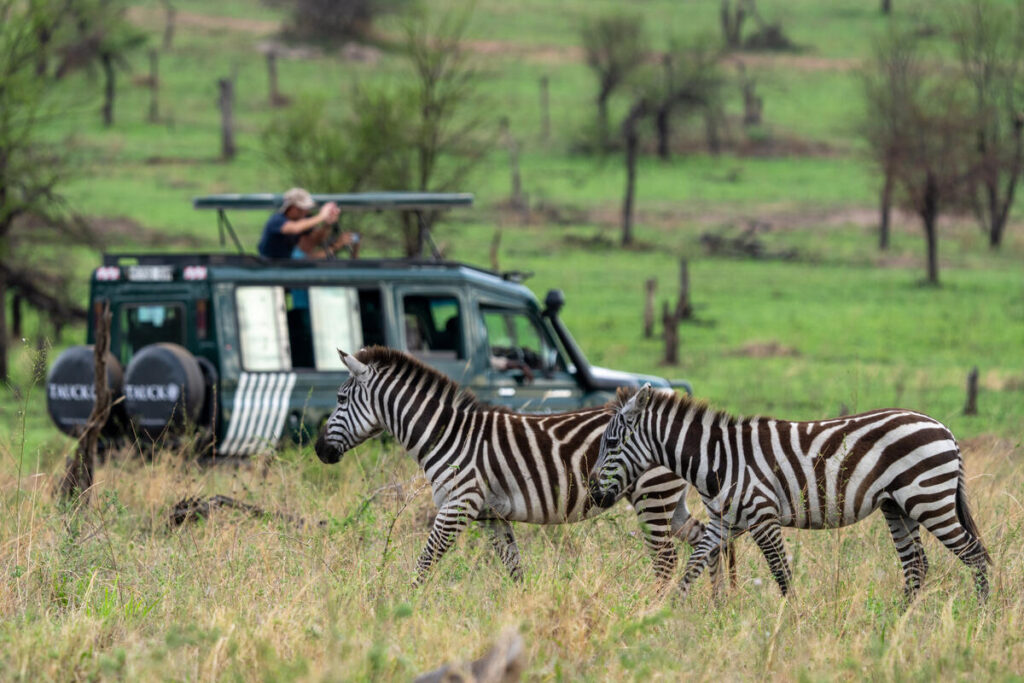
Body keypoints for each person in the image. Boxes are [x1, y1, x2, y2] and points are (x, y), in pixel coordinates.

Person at [257, 187, 339, 259]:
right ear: (291, 207)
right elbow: (295, 228)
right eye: (301, 208)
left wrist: (327, 224)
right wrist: (322, 216)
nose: (305, 211)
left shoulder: (303, 220)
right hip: (268, 264)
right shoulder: (277, 219)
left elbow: (312, 243)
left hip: (286, 263)